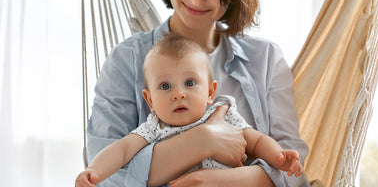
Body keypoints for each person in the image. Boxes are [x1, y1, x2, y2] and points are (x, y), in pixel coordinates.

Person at [86, 0, 310, 186]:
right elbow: (106, 178)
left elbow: (293, 170)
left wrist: (216, 181)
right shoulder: (127, 60)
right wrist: (203, 139)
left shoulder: (266, 59)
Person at [77, 34, 303, 187]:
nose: (179, 94)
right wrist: (94, 170)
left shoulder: (224, 113)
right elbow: (122, 150)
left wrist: (278, 156)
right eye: (165, 86)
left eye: (190, 83)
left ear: (210, 92)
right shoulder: (154, 127)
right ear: (150, 100)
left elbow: (256, 141)